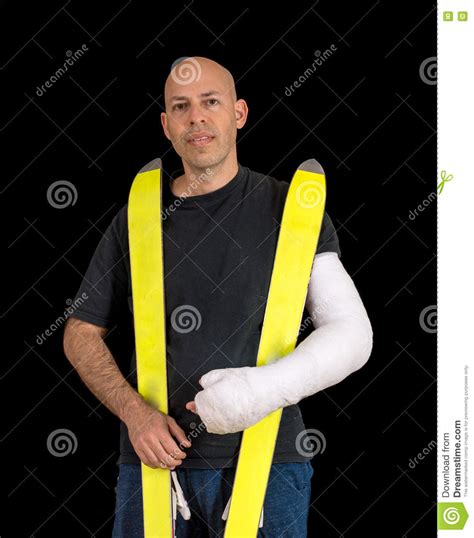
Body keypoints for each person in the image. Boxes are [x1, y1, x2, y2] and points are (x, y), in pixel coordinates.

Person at [63, 56, 373, 537]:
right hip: (152, 462)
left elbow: (351, 334)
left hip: (272, 461)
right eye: (181, 107)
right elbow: (80, 334)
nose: (197, 117)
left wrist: (258, 392)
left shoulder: (294, 210)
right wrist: (136, 415)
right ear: (166, 126)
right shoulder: (137, 218)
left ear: (239, 113)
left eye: (211, 102)